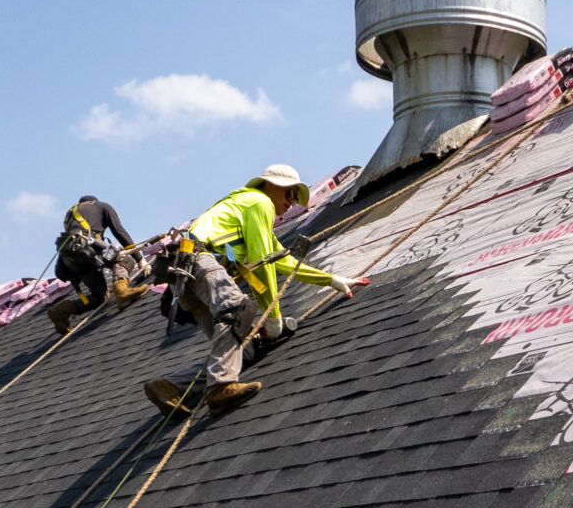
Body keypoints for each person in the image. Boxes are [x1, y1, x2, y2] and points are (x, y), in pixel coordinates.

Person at [143, 165, 367, 420]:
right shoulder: (259, 203)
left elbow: (282, 261)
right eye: (290, 196)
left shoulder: (246, 206)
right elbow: (264, 262)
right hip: (199, 261)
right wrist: (273, 317)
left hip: (184, 276)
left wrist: (332, 280)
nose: (291, 205)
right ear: (272, 186)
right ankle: (221, 388)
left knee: (243, 348)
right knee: (237, 310)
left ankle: (171, 387)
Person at [46, 195, 146, 331]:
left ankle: (62, 311)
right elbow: (119, 231)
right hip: (87, 249)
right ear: (93, 201)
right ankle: (122, 292)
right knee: (125, 259)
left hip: (70, 260)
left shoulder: (70, 215)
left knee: (100, 298)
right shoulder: (102, 206)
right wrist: (140, 259)